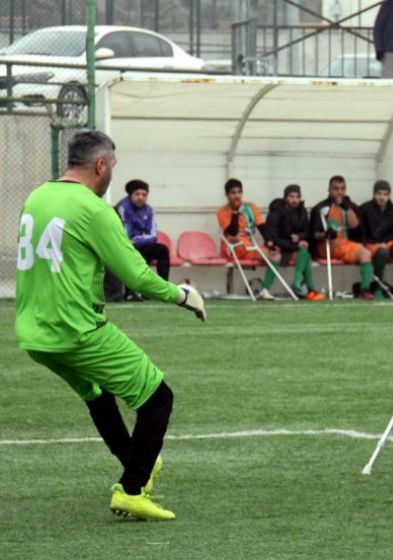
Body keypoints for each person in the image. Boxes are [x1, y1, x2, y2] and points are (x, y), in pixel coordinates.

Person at [14, 130, 206, 521]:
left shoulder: (38, 196)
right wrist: (183, 295)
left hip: (34, 334)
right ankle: (131, 489)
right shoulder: (93, 209)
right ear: (100, 165)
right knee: (158, 397)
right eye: (113, 167)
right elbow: (137, 276)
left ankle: (139, 466)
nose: (113, 175)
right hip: (76, 330)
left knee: (96, 393)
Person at [310, 175, 375, 300]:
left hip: (346, 245)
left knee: (366, 253)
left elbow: (355, 227)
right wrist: (325, 234)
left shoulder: (350, 206)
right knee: (359, 250)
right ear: (329, 190)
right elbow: (313, 234)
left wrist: (346, 206)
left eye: (342, 189)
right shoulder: (320, 208)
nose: (339, 192)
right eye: (336, 189)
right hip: (326, 247)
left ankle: (365, 289)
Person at [217, 178, 277, 300]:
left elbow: (261, 227)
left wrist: (270, 243)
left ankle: (264, 290)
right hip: (232, 247)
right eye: (233, 193)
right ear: (227, 195)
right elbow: (232, 232)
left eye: (239, 192)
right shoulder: (222, 211)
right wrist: (235, 212)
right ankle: (262, 291)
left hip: (249, 246)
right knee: (237, 241)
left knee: (276, 255)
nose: (237, 196)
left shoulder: (251, 207)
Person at [265, 184, 325, 301]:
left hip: (294, 248)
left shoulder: (302, 211)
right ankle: (309, 289)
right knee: (305, 253)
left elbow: (307, 231)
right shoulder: (277, 211)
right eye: (291, 196)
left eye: (297, 197)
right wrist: (294, 243)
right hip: (279, 248)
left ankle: (301, 284)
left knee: (305, 251)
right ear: (285, 198)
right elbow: (272, 235)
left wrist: (299, 237)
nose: (295, 200)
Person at [357, 180, 393, 298]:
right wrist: (375, 244)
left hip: (386, 243)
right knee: (382, 252)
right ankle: (378, 287)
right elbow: (361, 233)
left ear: (389, 195)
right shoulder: (364, 209)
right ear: (374, 194)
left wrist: (385, 242)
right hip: (370, 245)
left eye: (385, 194)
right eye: (379, 194)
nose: (382, 197)